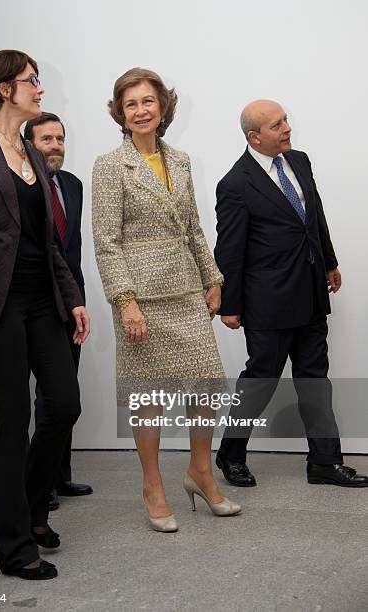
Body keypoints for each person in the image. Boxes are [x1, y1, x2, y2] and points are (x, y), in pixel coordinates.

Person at [0, 49, 90, 580]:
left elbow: (50, 240)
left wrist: (72, 295)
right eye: (32, 81)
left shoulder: (32, 152)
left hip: (43, 299)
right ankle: (14, 544)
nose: (40, 89)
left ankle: (28, 508)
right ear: (5, 88)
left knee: (64, 406)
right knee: (12, 419)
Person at [92, 67, 241, 533]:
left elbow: (194, 226)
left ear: (163, 107)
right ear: (120, 112)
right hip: (141, 298)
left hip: (185, 291)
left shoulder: (179, 161)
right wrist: (125, 301)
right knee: (147, 397)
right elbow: (105, 241)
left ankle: (200, 472)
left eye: (148, 101)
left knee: (209, 388)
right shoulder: (109, 166)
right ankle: (152, 486)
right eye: (131, 103)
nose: (140, 110)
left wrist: (212, 278)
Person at [214, 99, 368, 488]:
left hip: (311, 292)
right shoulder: (235, 183)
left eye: (285, 119)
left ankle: (324, 462)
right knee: (260, 381)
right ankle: (231, 454)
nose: (287, 127)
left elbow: (314, 215)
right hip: (268, 301)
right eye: (277, 124)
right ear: (254, 136)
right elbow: (229, 248)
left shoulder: (299, 161)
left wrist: (329, 262)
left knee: (315, 379)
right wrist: (229, 304)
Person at [24, 113, 93, 510]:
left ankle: (60, 475)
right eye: (46, 138)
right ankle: (41, 481)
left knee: (66, 392)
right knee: (48, 397)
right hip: (35, 304)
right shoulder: (23, 188)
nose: (55, 146)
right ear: (29, 143)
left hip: (73, 303)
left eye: (60, 139)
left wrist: (78, 299)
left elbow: (71, 249)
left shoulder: (73, 185)